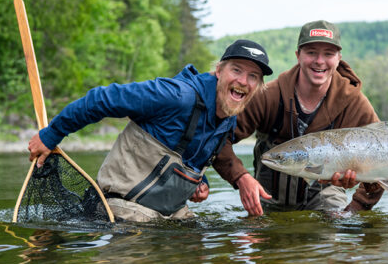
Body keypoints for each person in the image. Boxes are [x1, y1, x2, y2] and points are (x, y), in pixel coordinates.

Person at [27, 39, 273, 222]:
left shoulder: (229, 116)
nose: (244, 81)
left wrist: (199, 180)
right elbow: (100, 99)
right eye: (237, 70)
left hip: (169, 213)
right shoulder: (175, 95)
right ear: (219, 71)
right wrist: (52, 134)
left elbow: (191, 152)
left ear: (258, 86)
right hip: (120, 209)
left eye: (253, 76)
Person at [213, 20, 384, 215]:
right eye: (311, 52)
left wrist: (355, 208)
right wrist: (240, 177)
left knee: (332, 235)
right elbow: (218, 138)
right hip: (267, 199)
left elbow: (385, 160)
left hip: (327, 198)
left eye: (328, 54)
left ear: (338, 59)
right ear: (298, 56)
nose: (319, 61)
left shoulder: (354, 103)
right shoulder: (269, 96)